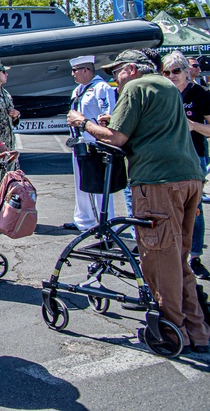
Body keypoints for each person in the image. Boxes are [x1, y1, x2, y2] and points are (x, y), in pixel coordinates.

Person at [67, 49, 209, 354]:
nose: (114, 79)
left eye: (117, 72)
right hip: (189, 176)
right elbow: (148, 128)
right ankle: (197, 329)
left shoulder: (135, 87)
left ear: (131, 69)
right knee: (179, 258)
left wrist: (82, 122)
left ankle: (173, 333)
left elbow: (115, 138)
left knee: (159, 260)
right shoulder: (168, 86)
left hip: (158, 180)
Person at [159, 51, 210, 280]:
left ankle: (195, 257)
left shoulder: (199, 94)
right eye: (166, 72)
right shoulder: (162, 94)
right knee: (169, 209)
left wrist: (193, 125)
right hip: (167, 160)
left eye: (176, 71)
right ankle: (173, 256)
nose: (172, 76)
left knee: (194, 209)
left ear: (187, 72)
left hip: (193, 158)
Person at [65, 55, 118, 231]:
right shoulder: (78, 90)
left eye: (75, 70)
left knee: (99, 184)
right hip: (80, 142)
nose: (72, 74)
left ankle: (105, 222)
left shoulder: (101, 88)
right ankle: (83, 220)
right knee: (82, 183)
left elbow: (107, 115)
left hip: (95, 142)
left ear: (86, 70)